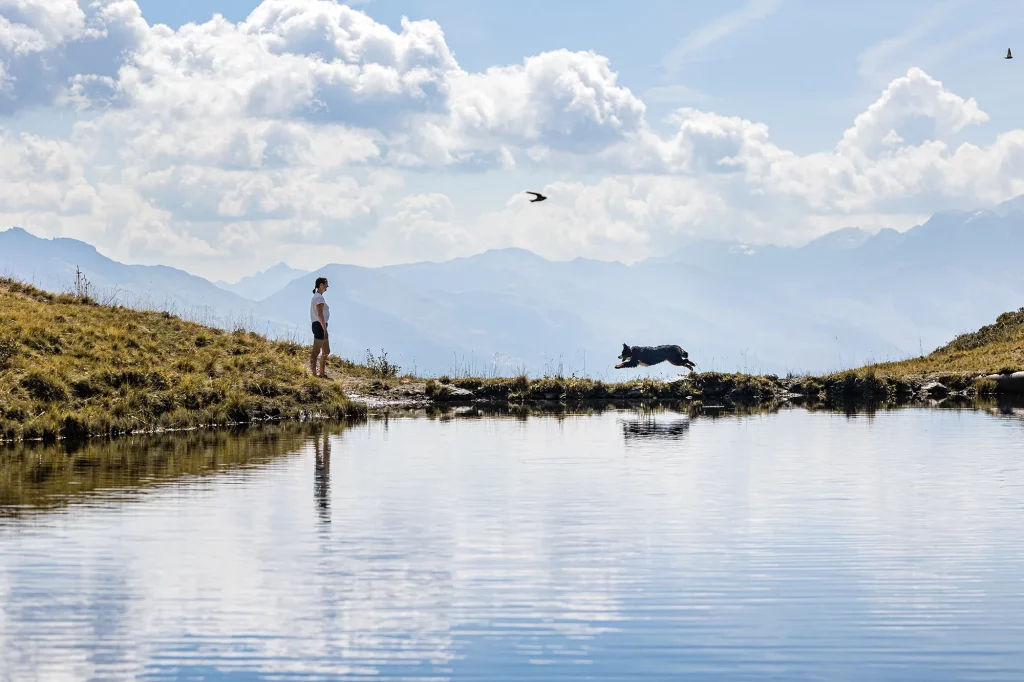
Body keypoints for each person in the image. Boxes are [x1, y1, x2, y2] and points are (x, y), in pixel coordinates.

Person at [310, 276, 330, 377]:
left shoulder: (318, 296)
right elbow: (320, 314)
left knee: (326, 350)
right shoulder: (319, 297)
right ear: (321, 285)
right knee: (316, 351)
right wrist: (324, 329)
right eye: (326, 284)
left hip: (320, 325)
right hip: (319, 325)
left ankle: (322, 373)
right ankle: (314, 374)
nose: (327, 286)